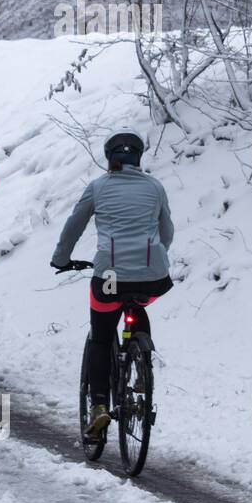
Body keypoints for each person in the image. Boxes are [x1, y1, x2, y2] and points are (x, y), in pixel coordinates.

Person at [50, 130, 175, 438]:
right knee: (138, 303)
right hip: (153, 276)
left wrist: (61, 258)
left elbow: (73, 226)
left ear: (110, 160)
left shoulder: (98, 187)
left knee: (102, 338)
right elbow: (167, 230)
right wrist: (154, 257)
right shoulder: (155, 187)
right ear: (138, 158)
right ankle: (143, 360)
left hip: (109, 277)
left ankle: (99, 406)